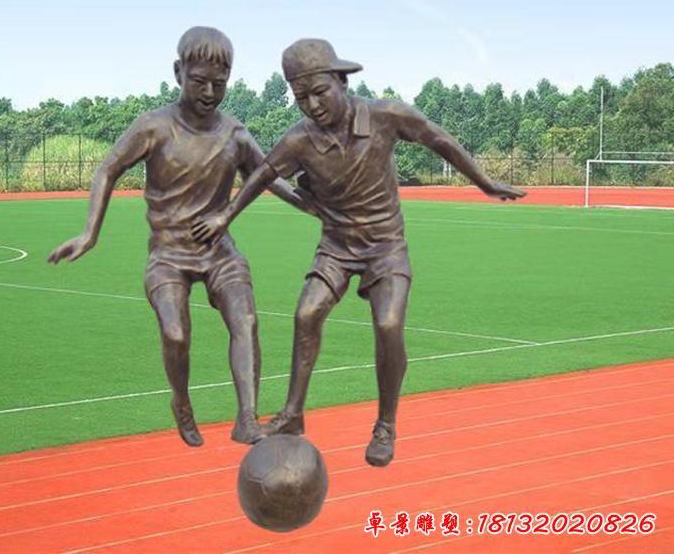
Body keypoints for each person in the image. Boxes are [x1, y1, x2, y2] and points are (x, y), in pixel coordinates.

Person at [192, 38, 525, 466]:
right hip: (336, 246)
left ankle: (385, 424)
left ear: (342, 81)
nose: (312, 105)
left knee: (388, 325)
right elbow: (261, 176)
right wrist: (225, 216)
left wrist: (485, 182)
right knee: (306, 314)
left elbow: (438, 139)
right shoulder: (299, 140)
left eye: (319, 92)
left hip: (386, 246)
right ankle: (292, 414)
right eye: (301, 98)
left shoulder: (386, 116)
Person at [49, 27, 311, 447]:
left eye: (219, 84)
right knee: (175, 334)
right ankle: (182, 402)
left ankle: (247, 418)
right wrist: (89, 233)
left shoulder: (234, 134)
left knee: (245, 320)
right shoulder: (154, 127)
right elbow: (107, 170)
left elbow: (269, 178)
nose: (209, 92)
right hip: (169, 255)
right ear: (178, 72)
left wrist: (316, 207)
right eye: (199, 81)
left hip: (219, 251)